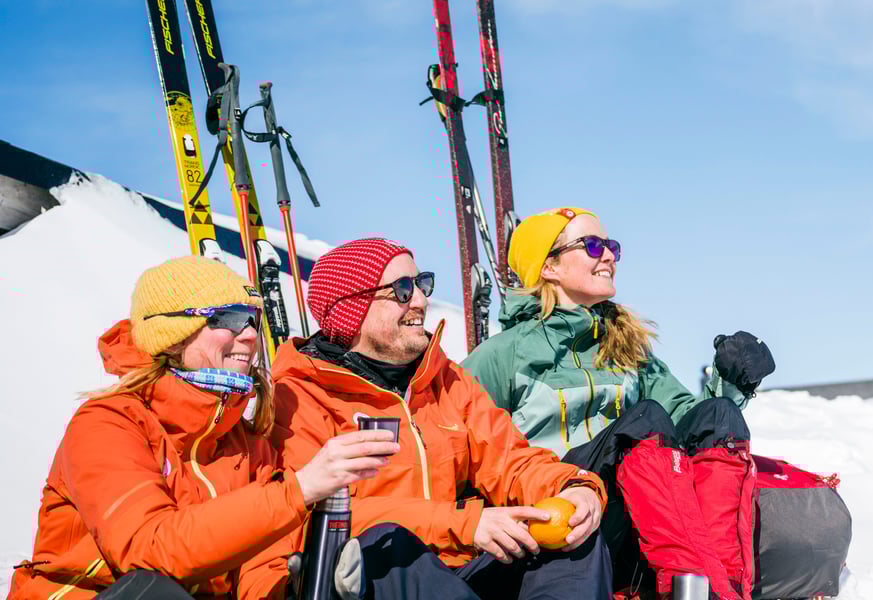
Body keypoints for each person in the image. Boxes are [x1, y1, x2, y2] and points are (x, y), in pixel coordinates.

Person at [8, 256, 395, 600]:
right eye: (227, 318)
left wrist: (293, 587)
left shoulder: (246, 442)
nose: (249, 334)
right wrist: (299, 489)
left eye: (253, 319)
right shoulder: (108, 423)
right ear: (172, 336)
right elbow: (149, 549)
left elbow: (255, 569)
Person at [270, 237, 612, 600]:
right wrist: (463, 523)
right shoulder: (301, 394)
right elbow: (310, 513)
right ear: (352, 308)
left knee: (572, 538)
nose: (420, 300)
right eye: (403, 289)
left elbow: (510, 460)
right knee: (389, 546)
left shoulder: (443, 379)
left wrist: (575, 487)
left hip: (459, 568)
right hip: (380, 578)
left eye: (422, 284)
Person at [462, 207, 776, 600]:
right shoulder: (503, 355)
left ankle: (716, 588)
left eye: (611, 246)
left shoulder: (626, 348)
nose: (609, 255)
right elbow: (457, 442)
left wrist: (731, 383)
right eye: (592, 246)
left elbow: (687, 422)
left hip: (626, 525)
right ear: (549, 267)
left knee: (719, 415)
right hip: (554, 518)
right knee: (644, 420)